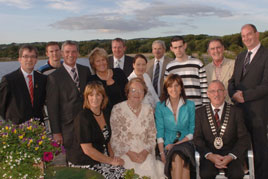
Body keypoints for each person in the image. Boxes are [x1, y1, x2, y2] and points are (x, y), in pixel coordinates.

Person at [228, 24, 268, 179]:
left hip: (258, 113)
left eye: (249, 34)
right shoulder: (240, 56)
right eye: (243, 36)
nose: (246, 38)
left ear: (257, 34)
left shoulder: (266, 55)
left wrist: (244, 95)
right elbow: (232, 81)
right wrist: (233, 94)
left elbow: (266, 85)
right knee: (239, 150)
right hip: (239, 112)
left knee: (260, 152)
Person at [110, 78, 165, 179]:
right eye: (133, 90)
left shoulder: (148, 109)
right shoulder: (117, 109)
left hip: (145, 152)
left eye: (141, 90)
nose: (137, 93)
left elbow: (152, 135)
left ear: (144, 93)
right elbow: (115, 138)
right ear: (128, 92)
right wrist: (130, 154)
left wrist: (144, 153)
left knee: (149, 170)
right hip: (125, 152)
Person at [46, 40, 91, 163]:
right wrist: (56, 132)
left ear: (78, 53)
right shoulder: (54, 77)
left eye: (74, 51)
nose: (70, 55)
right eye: (67, 52)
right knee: (73, 160)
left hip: (87, 123)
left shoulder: (85, 70)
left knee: (90, 157)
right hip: (68, 128)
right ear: (61, 53)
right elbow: (52, 107)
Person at [69, 81, 125, 178]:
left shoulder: (105, 113)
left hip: (100, 158)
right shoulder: (82, 117)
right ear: (87, 97)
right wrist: (110, 161)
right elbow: (87, 150)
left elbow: (107, 141)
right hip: (83, 162)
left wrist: (113, 158)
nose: (94, 98)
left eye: (98, 95)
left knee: (122, 171)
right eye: (91, 95)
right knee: (116, 175)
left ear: (103, 97)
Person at [195, 80, 250, 179]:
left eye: (219, 90)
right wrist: (210, 156)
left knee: (237, 173)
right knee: (205, 173)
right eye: (212, 91)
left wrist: (231, 156)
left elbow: (244, 138)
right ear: (208, 94)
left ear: (225, 93)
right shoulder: (199, 113)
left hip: (231, 154)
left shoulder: (236, 112)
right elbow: (197, 138)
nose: (216, 94)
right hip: (210, 155)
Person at [155, 74, 195, 179]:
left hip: (186, 143)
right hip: (168, 144)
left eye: (176, 85)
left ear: (181, 88)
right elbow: (160, 132)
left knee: (177, 156)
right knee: (182, 165)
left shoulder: (190, 105)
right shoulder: (160, 107)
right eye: (170, 86)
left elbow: (192, 131)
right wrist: (162, 153)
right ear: (166, 89)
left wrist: (177, 144)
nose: (174, 89)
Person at [0, 44, 46, 124]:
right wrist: (12, 121)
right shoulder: (8, 80)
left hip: (38, 128)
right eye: (26, 56)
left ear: (36, 60)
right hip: (17, 129)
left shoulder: (43, 79)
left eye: (33, 56)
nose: (29, 59)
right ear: (20, 59)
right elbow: (1, 106)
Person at [165, 36, 209, 108]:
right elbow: (167, 91)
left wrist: (205, 108)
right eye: (175, 48)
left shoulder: (197, 63)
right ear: (171, 49)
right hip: (179, 109)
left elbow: (204, 88)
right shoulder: (169, 67)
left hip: (197, 108)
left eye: (180, 47)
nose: (178, 50)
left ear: (185, 46)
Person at [205, 38, 234, 104]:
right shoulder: (205, 70)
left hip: (232, 108)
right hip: (213, 111)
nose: (216, 51)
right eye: (212, 49)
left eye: (218, 47)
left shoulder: (234, 65)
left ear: (223, 48)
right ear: (209, 52)